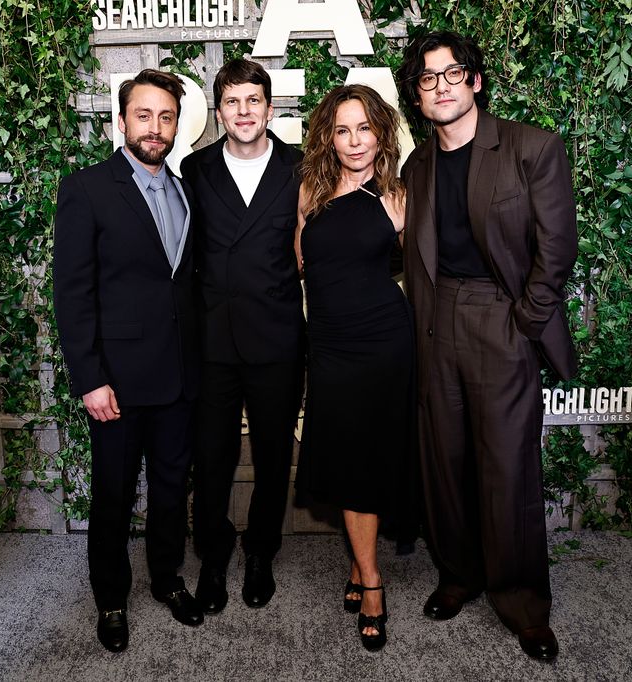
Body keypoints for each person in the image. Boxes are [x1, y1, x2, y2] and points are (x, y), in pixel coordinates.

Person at [396, 32, 578, 661]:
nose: (441, 85)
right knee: (443, 462)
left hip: (500, 317)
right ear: (417, 96)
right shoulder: (416, 166)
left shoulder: (531, 147)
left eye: (453, 74)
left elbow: (556, 248)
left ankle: (524, 602)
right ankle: (459, 574)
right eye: (427, 78)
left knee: (506, 466)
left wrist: (524, 320)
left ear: (475, 81)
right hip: (435, 319)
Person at [53, 69, 205, 654]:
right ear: (122, 121)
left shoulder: (186, 187)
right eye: (144, 115)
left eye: (166, 117)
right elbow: (73, 293)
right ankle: (111, 599)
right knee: (113, 495)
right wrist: (90, 379)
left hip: (179, 377)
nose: (155, 128)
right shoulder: (87, 188)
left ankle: (167, 579)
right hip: (115, 382)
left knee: (171, 489)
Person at [179, 59, 305, 613]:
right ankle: (212, 554)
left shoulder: (302, 168)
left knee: (275, 454)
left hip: (277, 338)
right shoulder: (195, 168)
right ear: (219, 110)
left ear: (269, 107)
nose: (243, 111)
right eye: (232, 102)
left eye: (253, 100)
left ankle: (260, 551)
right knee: (211, 457)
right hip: (213, 342)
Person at [294, 84, 412, 652]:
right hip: (331, 345)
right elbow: (303, 261)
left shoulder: (397, 197)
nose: (354, 140)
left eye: (364, 127)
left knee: (367, 463)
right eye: (343, 129)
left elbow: (430, 269)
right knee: (345, 459)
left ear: (381, 133)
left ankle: (371, 582)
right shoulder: (312, 191)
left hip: (383, 342)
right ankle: (361, 565)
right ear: (328, 137)